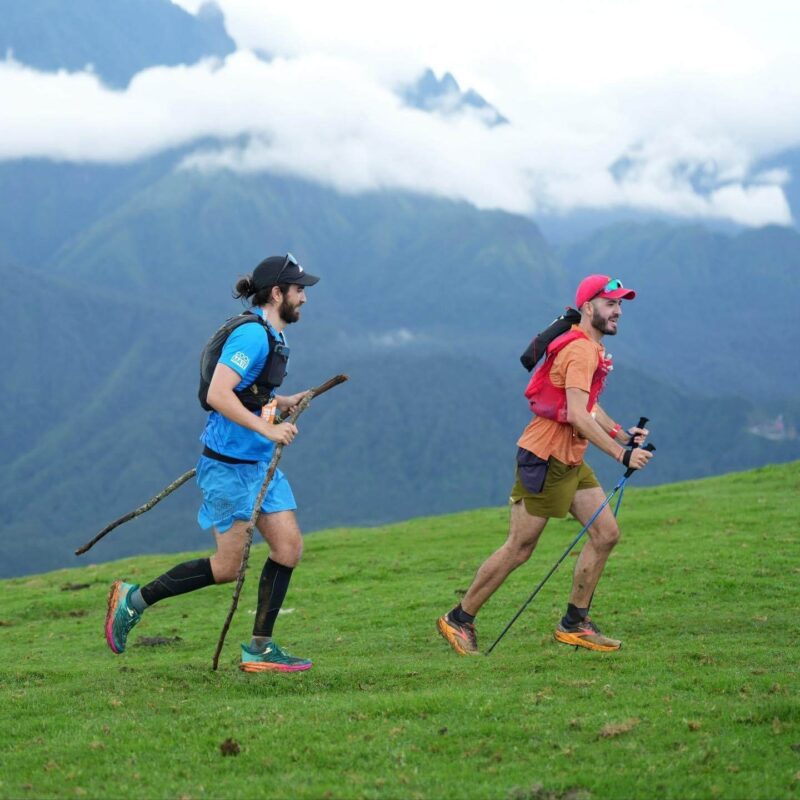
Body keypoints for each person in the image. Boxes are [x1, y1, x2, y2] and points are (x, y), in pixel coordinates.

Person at [105, 253, 320, 672]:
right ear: (277, 294)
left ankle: (259, 648)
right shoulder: (252, 337)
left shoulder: (275, 336)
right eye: (299, 291)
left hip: (258, 465)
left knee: (289, 548)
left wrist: (281, 404)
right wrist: (270, 431)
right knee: (226, 568)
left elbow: (249, 396)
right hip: (229, 468)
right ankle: (133, 599)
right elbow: (218, 395)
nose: (304, 299)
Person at [437, 274, 653, 655]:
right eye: (610, 303)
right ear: (588, 308)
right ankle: (460, 618)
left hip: (570, 457)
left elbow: (586, 404)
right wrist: (621, 455)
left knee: (606, 534)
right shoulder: (581, 350)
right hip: (545, 457)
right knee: (520, 548)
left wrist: (621, 433)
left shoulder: (590, 346)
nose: (618, 311)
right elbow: (576, 414)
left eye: (620, 304)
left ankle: (575, 623)